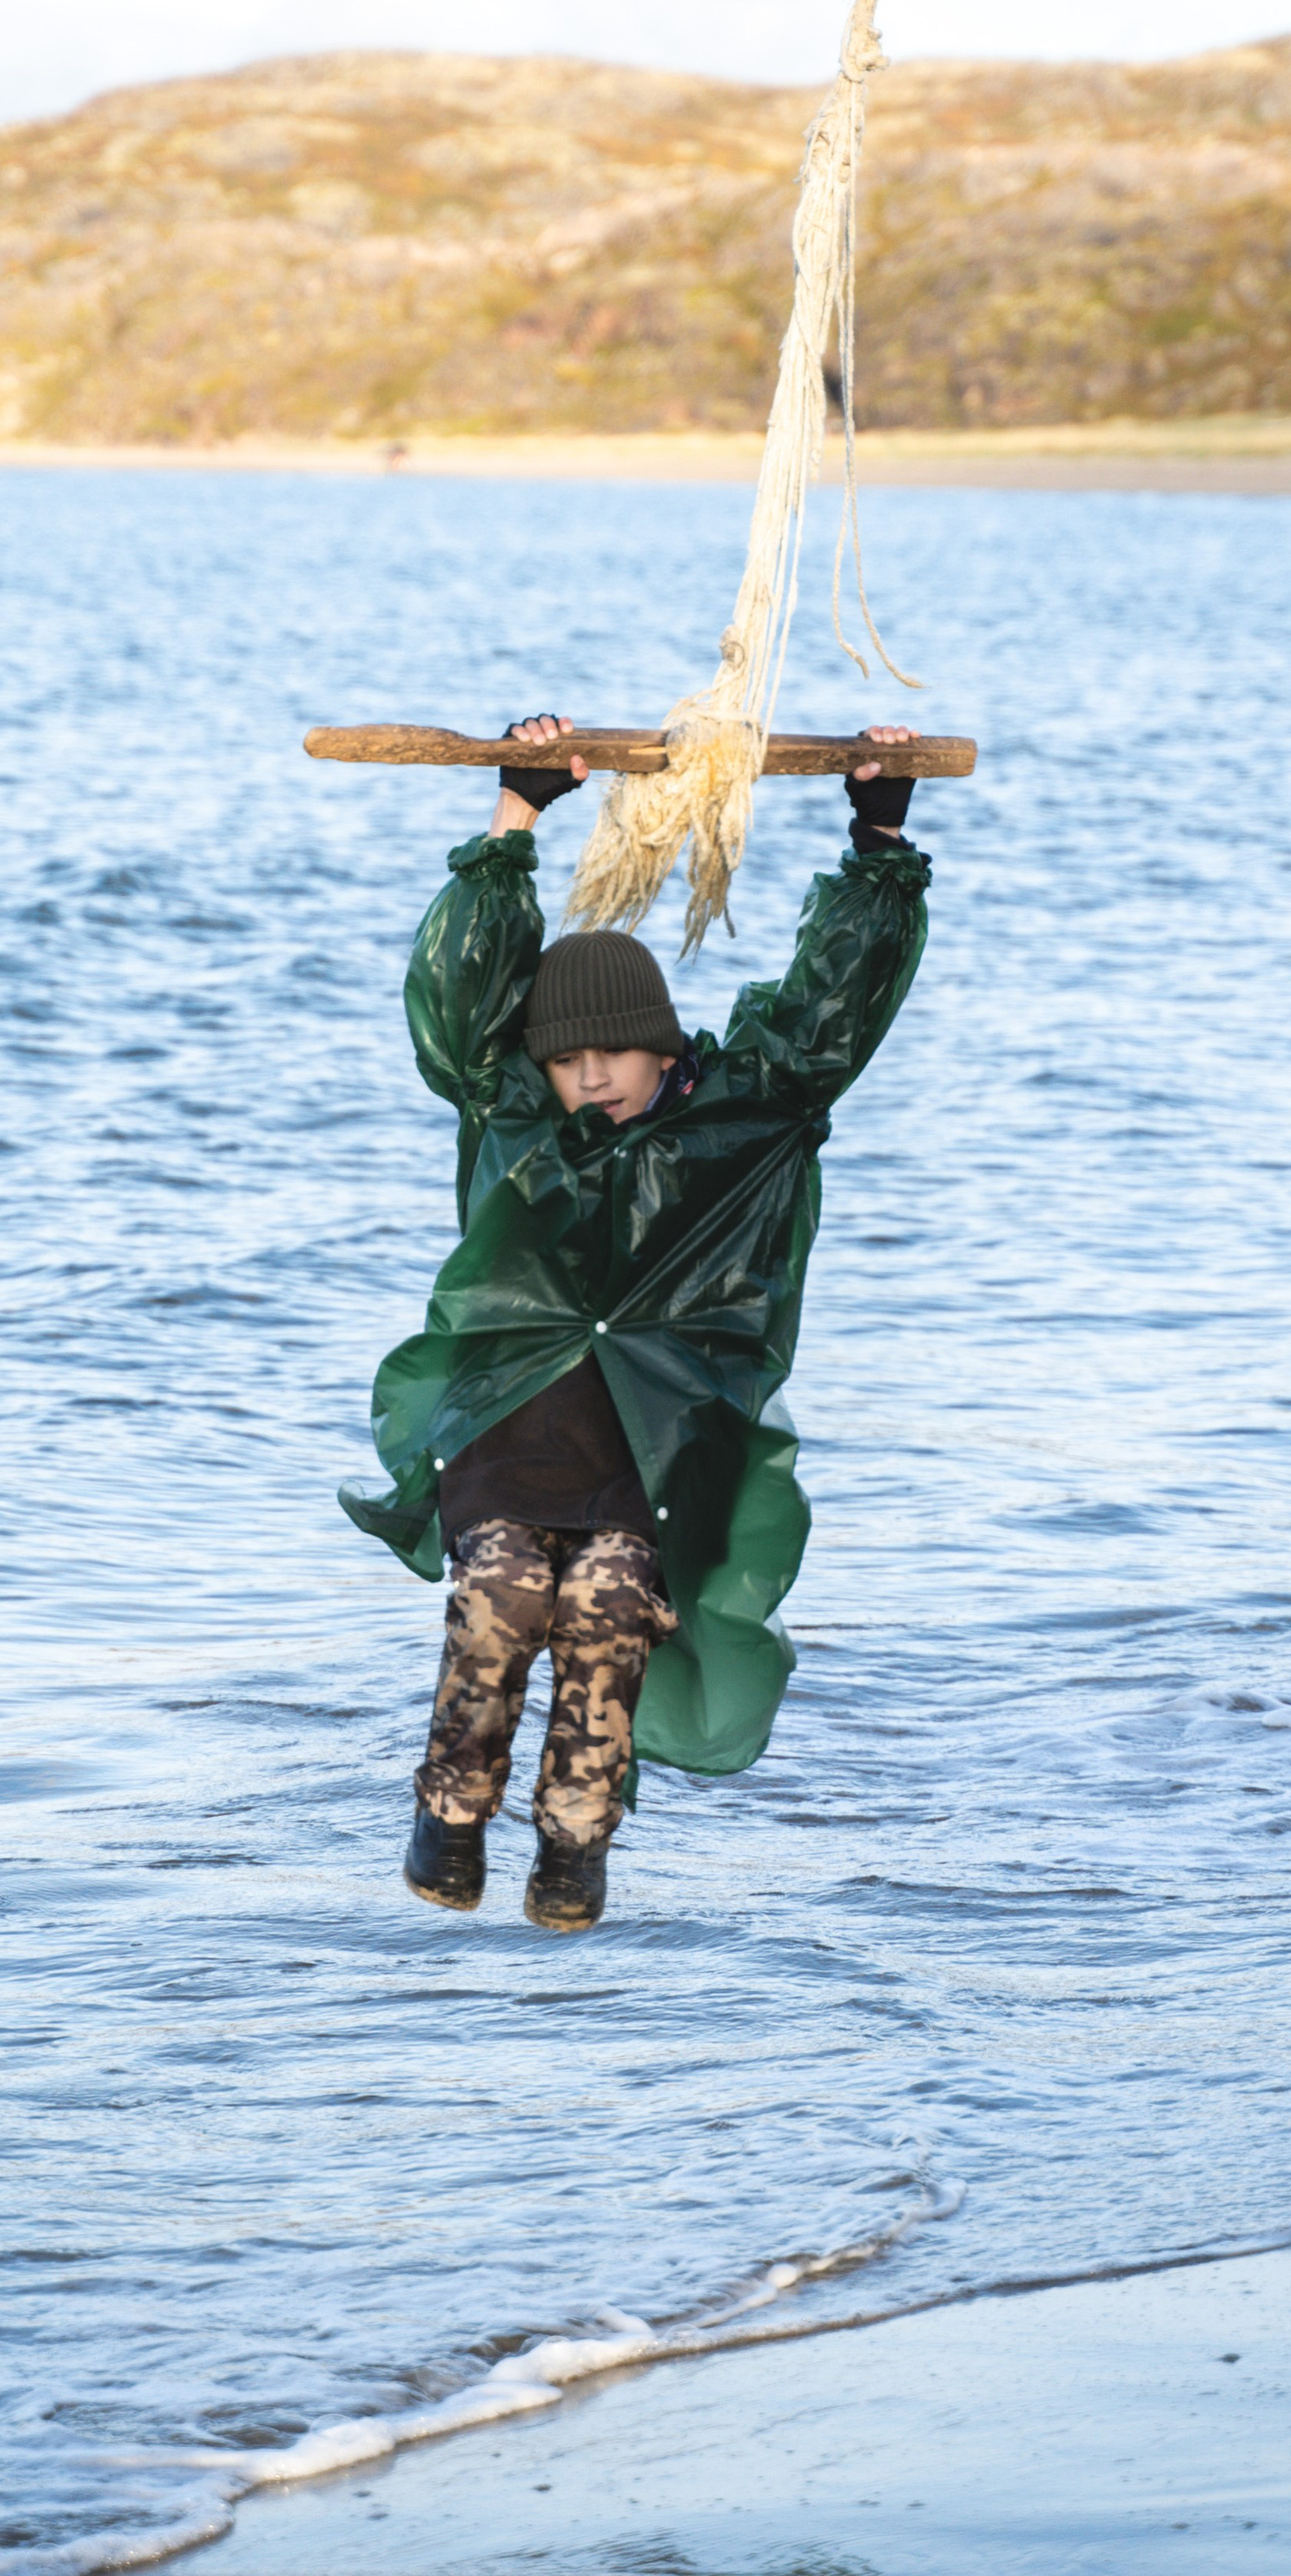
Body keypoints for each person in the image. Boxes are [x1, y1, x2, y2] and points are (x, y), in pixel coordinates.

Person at [339, 714, 931, 1933]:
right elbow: (458, 1007)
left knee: (609, 1608)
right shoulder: (512, 1115)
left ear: (665, 1048)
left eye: (618, 1052)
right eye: (569, 1060)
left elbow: (828, 1019)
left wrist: (877, 841)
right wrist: (516, 818)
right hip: (508, 1424)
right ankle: (450, 1815)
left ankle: (574, 1850)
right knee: (502, 1591)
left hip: (650, 1449)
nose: (592, 1075)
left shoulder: (741, 1125)